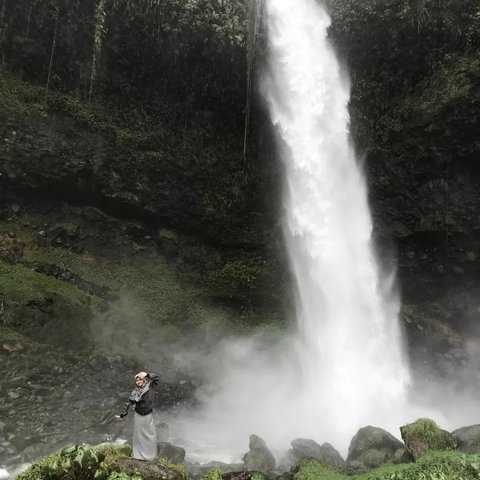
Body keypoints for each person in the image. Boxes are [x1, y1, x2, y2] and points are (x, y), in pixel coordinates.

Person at [118, 371, 159, 461]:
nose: (138, 382)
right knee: (138, 436)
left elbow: (156, 378)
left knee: (150, 435)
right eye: (137, 381)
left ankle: (151, 456)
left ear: (143, 380)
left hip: (148, 414)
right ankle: (138, 455)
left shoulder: (150, 386)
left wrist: (147, 374)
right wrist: (122, 414)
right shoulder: (134, 392)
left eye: (140, 380)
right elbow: (128, 403)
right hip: (138, 415)